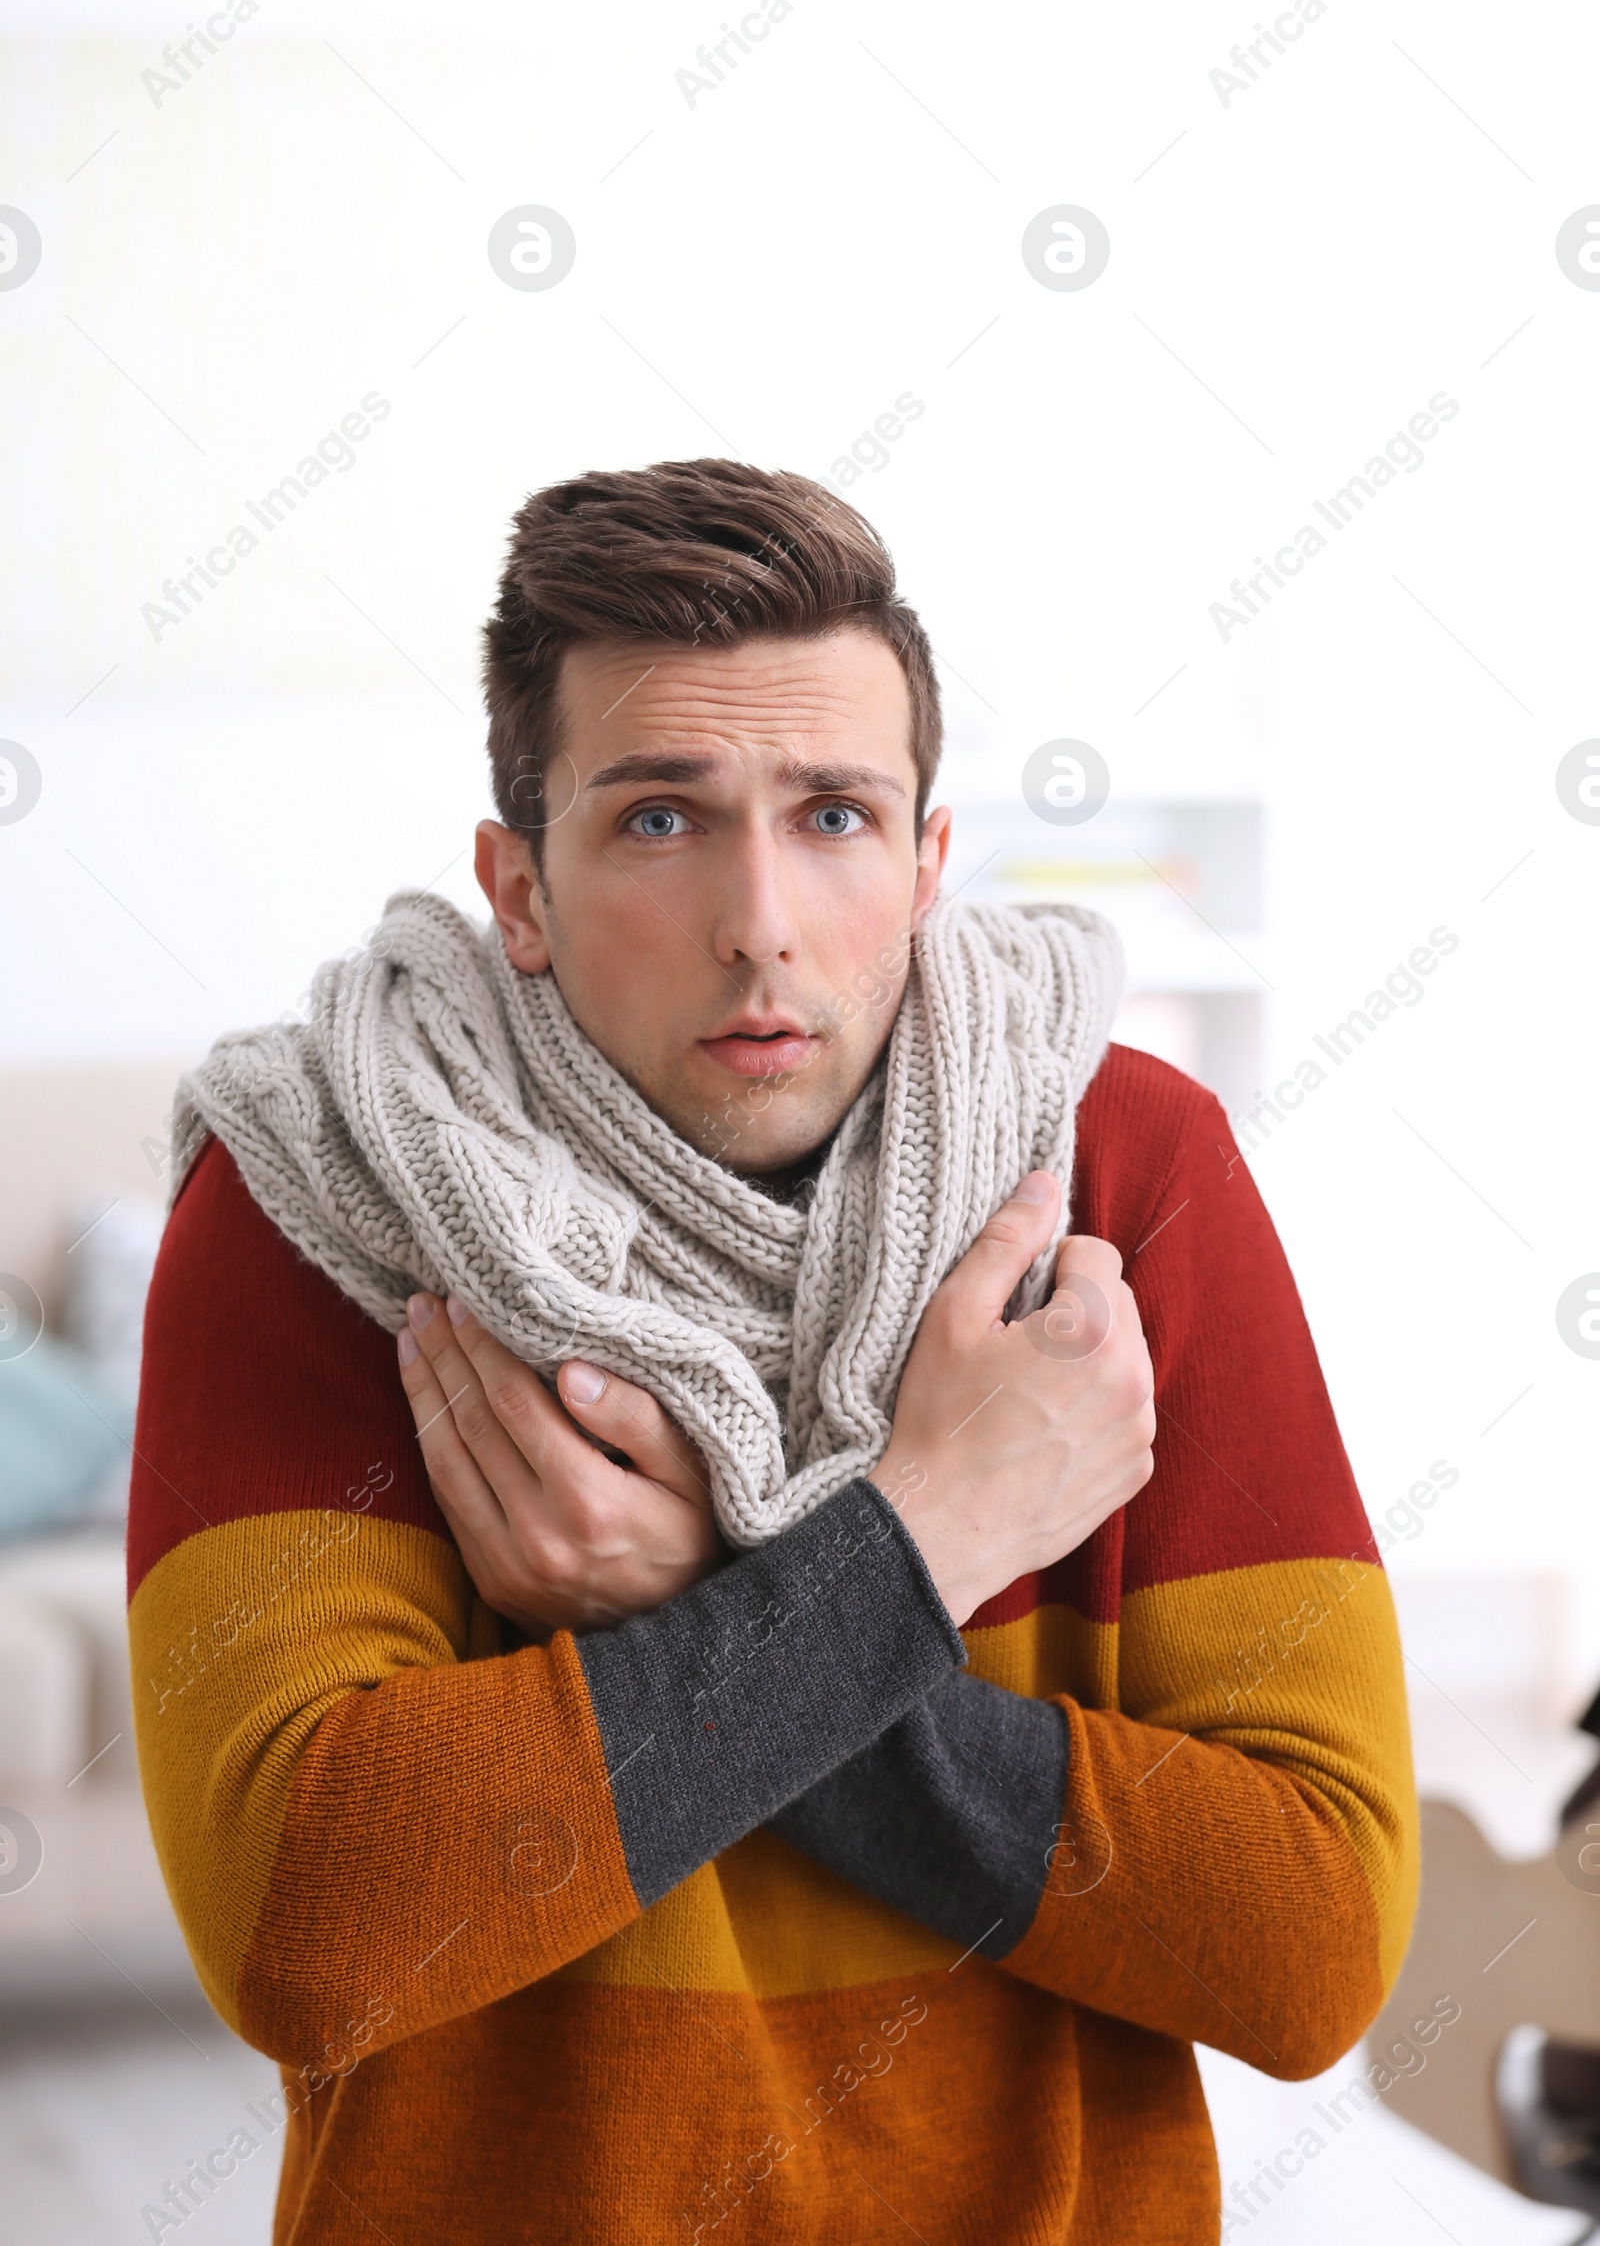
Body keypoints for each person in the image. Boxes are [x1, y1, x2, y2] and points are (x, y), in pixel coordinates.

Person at [129, 460, 1416, 2245]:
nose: (762, 920)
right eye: (660, 817)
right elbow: (313, 1927)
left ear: (927, 862)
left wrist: (701, 1601)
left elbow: (1310, 1937)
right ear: (518, 887)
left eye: (832, 816)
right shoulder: (325, 1185)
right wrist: (924, 1543)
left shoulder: (1128, 1174)